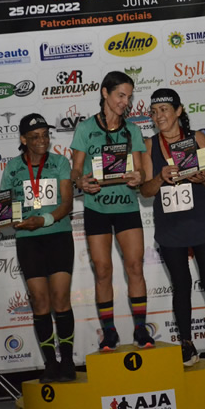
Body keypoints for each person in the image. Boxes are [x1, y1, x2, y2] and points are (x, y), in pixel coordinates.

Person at [139, 88, 205, 366]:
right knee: (181, 286)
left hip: (201, 222)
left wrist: (203, 179)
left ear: (178, 111)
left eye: (164, 110)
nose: (158, 116)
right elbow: (145, 191)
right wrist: (160, 177)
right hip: (170, 226)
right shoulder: (149, 145)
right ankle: (186, 344)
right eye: (154, 111)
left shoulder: (197, 139)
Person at [0, 113, 76, 383]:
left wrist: (43, 220)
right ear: (23, 140)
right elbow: (4, 213)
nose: (42, 141)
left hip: (58, 236)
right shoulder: (12, 168)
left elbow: (67, 204)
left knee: (60, 299)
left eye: (45, 135)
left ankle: (68, 361)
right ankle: (50, 364)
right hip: (28, 240)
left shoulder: (60, 162)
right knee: (39, 301)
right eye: (35, 137)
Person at [70, 71, 154, 351]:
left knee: (135, 266)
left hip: (127, 207)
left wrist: (139, 177)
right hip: (97, 209)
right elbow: (75, 170)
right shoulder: (85, 128)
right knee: (103, 270)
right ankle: (109, 332)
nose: (125, 102)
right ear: (105, 93)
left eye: (129, 97)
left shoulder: (132, 130)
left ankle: (140, 329)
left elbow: (141, 171)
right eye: (120, 95)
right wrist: (80, 182)